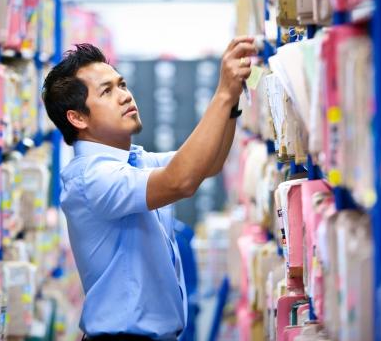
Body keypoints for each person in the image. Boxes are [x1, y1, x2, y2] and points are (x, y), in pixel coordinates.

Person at [42, 37, 256, 340]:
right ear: (77, 117)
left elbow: (207, 164)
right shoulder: (91, 178)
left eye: (122, 84)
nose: (124, 96)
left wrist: (232, 100)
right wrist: (222, 93)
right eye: (107, 91)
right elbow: (180, 180)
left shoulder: (134, 160)